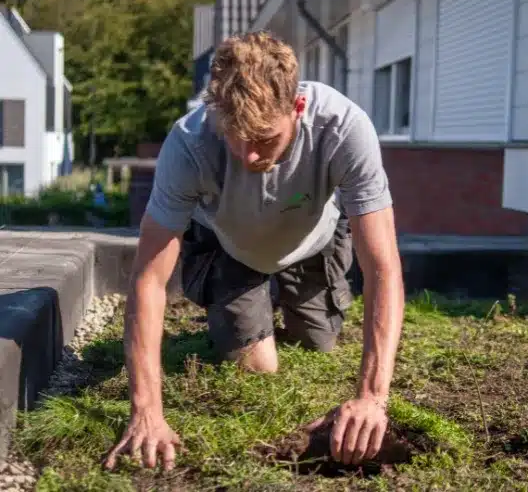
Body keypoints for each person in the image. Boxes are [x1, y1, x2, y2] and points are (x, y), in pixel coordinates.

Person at [104, 31, 404, 473]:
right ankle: (249, 302)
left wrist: (373, 397)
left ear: (297, 108)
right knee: (257, 368)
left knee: (317, 345)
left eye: (264, 138)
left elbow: (383, 269)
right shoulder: (189, 144)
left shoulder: (343, 128)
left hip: (312, 241)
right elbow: (148, 279)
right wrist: (147, 411)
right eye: (236, 136)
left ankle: (290, 298)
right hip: (230, 247)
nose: (248, 156)